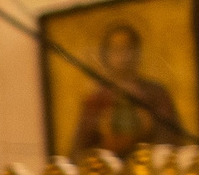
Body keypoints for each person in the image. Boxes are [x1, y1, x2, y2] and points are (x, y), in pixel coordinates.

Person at [67, 23, 184, 158]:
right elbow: (79, 150)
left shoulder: (156, 92)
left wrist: (148, 127)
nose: (122, 56)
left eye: (128, 48)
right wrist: (106, 142)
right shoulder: (97, 100)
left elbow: (171, 139)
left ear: (137, 52)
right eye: (116, 49)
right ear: (106, 55)